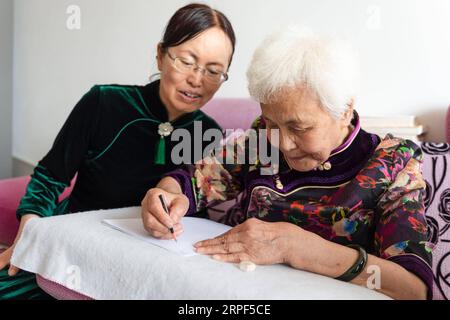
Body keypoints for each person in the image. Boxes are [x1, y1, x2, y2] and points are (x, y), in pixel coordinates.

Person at [141, 26, 433, 300]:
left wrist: (300, 249)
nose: (282, 144)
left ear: (344, 110)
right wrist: (166, 196)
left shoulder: (392, 163)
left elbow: (414, 289)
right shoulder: (261, 140)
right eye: (271, 123)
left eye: (299, 128)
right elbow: (193, 180)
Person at [0, 3, 235, 299]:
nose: (197, 80)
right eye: (187, 61)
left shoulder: (210, 135)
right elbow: (50, 176)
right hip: (69, 246)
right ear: (161, 55)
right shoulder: (103, 102)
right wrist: (31, 231)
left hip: (144, 269)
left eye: (214, 71)